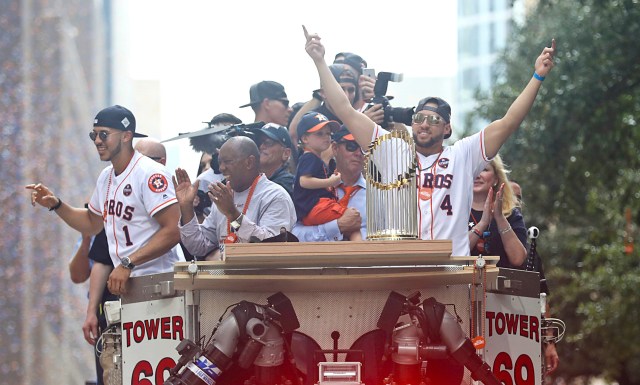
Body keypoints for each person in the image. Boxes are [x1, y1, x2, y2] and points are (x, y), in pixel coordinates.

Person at [303, 26, 555, 255]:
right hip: (403, 267)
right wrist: (320, 62)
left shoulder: (462, 155)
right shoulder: (391, 149)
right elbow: (345, 109)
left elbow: (508, 122)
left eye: (433, 120)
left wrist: (537, 77)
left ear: (447, 128)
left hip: (451, 269)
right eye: (419, 117)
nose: (424, 123)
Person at [27, 105, 183, 296]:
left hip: (159, 281)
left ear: (126, 136)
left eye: (104, 134)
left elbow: (174, 230)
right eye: (94, 136)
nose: (98, 141)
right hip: (128, 283)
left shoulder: (150, 173)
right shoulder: (106, 176)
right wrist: (56, 205)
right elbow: (92, 224)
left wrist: (128, 262)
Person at [175, 136, 296, 259]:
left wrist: (233, 214)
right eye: (220, 162)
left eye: (227, 162)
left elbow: (271, 249)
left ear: (249, 162)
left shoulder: (275, 196)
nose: (221, 168)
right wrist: (186, 207)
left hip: (262, 277)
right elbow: (198, 246)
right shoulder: (224, 197)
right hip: (225, 276)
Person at [293, 112, 362, 241]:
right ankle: (361, 255)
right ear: (305, 138)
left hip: (313, 208)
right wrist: (329, 181)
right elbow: (304, 181)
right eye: (319, 133)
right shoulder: (309, 157)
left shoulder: (315, 159)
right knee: (353, 219)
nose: (326, 138)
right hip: (314, 206)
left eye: (328, 134)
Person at [468, 155, 527, 267]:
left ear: (496, 179)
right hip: (462, 282)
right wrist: (482, 224)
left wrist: (500, 218)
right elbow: (451, 255)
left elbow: (518, 259)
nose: (477, 175)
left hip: (502, 282)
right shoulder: (454, 212)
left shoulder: (511, 213)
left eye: (484, 169)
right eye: (473, 169)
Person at [255, 123, 294, 196]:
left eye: (268, 142)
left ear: (286, 153)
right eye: (259, 142)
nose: (261, 146)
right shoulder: (252, 179)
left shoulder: (286, 183)